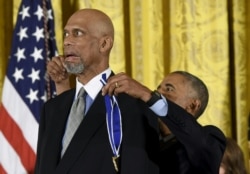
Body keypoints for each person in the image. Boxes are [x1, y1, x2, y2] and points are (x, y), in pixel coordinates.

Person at [34, 8, 182, 174]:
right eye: (66, 34)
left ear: (104, 44)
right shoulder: (53, 107)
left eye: (78, 33)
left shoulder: (133, 105)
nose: (67, 41)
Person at [46, 50, 226, 174]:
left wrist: (148, 95)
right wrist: (63, 86)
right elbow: (79, 144)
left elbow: (197, 140)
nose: (158, 93)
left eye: (169, 89)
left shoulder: (209, 138)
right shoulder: (136, 131)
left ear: (193, 106)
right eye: (158, 88)